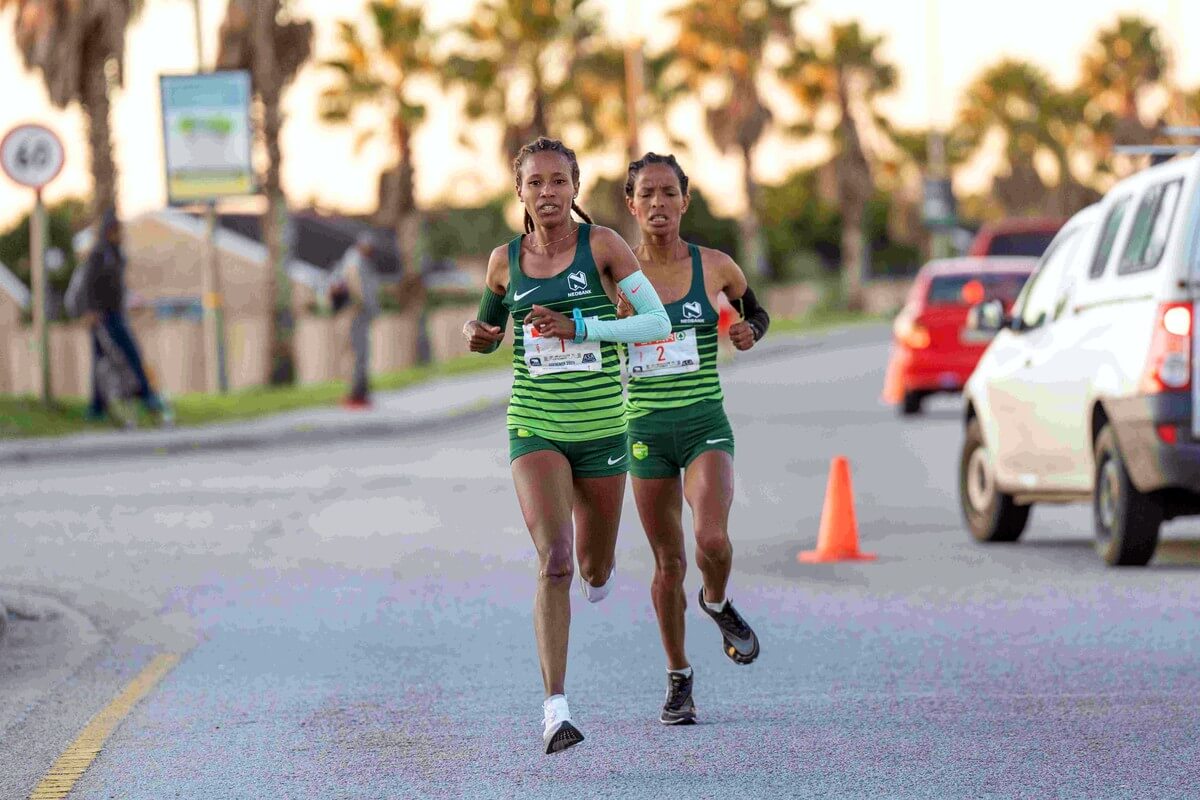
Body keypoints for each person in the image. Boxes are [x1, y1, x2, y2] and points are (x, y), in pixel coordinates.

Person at [462, 136, 670, 754]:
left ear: (574, 186)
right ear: (519, 191)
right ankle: (556, 710)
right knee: (554, 558)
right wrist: (476, 333)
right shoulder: (504, 261)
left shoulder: (602, 246)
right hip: (536, 423)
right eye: (535, 183)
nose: (546, 193)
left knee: (592, 567)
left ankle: (598, 573)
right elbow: (488, 327)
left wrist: (581, 324)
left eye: (558, 181)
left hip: (604, 425)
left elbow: (656, 323)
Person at [618, 153, 771, 725]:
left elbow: (756, 312)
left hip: (705, 423)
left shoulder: (715, 267)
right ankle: (679, 677)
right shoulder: (617, 273)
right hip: (645, 433)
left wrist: (748, 330)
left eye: (668, 193)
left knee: (711, 539)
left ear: (686, 200)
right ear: (631, 205)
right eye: (646, 194)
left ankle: (717, 601)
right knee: (667, 562)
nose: (658, 204)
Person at [70, 209, 164, 422]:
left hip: (116, 312)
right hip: (102, 317)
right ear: (109, 231)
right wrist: (90, 311)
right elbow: (88, 285)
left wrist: (132, 302)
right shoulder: (98, 254)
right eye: (117, 230)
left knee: (124, 356)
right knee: (110, 359)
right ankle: (102, 406)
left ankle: (139, 396)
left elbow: (119, 287)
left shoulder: (117, 255)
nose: (120, 234)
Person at [329, 232, 382, 408]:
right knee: (359, 353)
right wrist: (361, 301)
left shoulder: (360, 261)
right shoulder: (355, 260)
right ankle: (356, 394)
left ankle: (360, 392)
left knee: (360, 354)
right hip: (355, 313)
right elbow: (355, 281)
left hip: (357, 313)